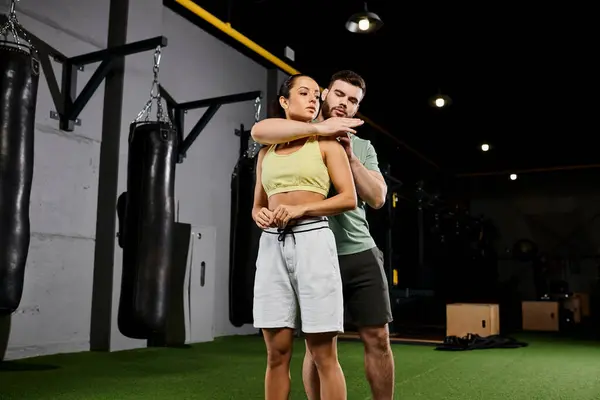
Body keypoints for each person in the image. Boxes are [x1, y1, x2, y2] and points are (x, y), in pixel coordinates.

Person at [251, 70, 395, 400]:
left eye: (353, 101)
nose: (344, 104)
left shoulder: (360, 145)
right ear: (325, 93)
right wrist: (320, 129)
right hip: (304, 248)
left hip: (356, 249)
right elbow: (261, 131)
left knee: (377, 337)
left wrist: (349, 155)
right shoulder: (288, 133)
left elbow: (376, 198)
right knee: (315, 345)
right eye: (339, 95)